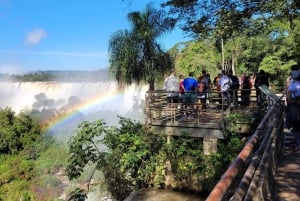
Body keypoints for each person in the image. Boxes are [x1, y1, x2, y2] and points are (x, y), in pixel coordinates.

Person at [286, 70, 300, 151]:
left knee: (294, 124)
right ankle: (297, 141)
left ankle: (297, 144)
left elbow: (288, 93)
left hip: (295, 106)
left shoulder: (294, 85)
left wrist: (289, 101)